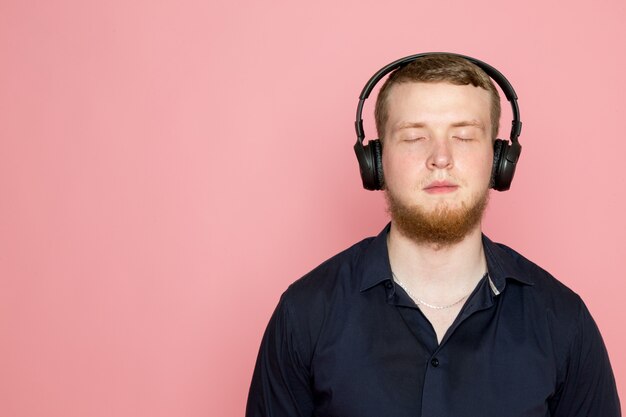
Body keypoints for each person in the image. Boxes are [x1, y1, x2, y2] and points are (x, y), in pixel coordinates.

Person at [245, 53, 621, 417]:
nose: (440, 157)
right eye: (413, 137)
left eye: (463, 136)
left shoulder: (564, 321)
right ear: (376, 162)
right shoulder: (304, 314)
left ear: (499, 159)